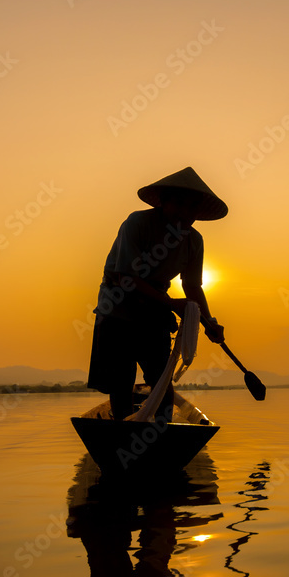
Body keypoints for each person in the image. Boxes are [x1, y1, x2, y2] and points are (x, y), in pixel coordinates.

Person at [88, 167, 226, 422]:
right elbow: (126, 278)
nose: (186, 213)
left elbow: (193, 286)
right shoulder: (137, 223)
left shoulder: (194, 240)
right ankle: (122, 429)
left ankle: (162, 430)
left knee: (159, 374)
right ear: (163, 202)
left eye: (193, 207)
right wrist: (172, 303)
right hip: (119, 302)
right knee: (122, 378)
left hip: (156, 306)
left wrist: (209, 321)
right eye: (180, 204)